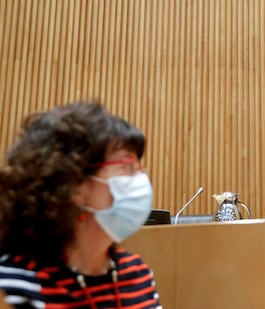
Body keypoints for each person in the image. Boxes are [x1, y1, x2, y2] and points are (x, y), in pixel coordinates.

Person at [0, 102, 162, 308]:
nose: (140, 178)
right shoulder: (14, 284)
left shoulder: (136, 274)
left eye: (138, 167)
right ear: (75, 184)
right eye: (126, 166)